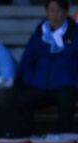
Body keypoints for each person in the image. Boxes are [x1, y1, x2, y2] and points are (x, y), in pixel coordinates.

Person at [18, 0, 78, 135]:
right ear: (46, 12)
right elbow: (27, 62)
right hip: (39, 86)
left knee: (67, 99)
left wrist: (74, 82)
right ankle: (30, 136)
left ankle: (64, 138)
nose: (55, 15)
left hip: (66, 86)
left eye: (59, 10)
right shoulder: (38, 35)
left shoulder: (75, 35)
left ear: (65, 13)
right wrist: (31, 80)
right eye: (51, 10)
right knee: (22, 99)